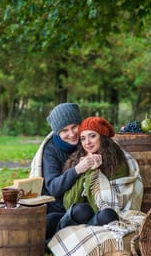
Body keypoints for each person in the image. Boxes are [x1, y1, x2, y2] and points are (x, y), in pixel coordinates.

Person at [57, 116, 143, 230]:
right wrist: (84, 170)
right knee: (81, 210)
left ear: (102, 137)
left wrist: (93, 172)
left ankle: (87, 232)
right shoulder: (77, 160)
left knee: (107, 215)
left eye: (92, 136)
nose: (87, 142)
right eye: (83, 138)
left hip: (102, 216)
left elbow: (104, 207)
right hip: (80, 217)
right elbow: (70, 204)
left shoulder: (116, 161)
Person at [30, 103, 99, 240]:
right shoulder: (51, 150)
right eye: (64, 130)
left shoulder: (87, 141)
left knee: (94, 212)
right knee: (51, 221)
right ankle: (82, 231)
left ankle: (79, 234)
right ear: (57, 132)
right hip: (58, 209)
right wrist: (78, 169)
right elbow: (54, 187)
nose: (72, 134)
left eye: (74, 127)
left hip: (85, 203)